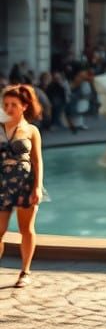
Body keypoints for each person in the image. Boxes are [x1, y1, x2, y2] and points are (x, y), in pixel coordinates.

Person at [0, 85, 44, 288]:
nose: (8, 108)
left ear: (24, 106)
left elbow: (37, 161)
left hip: (25, 184)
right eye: (5, 104)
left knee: (26, 229)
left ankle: (25, 271)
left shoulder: (31, 130)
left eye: (13, 105)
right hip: (2, 185)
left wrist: (38, 186)